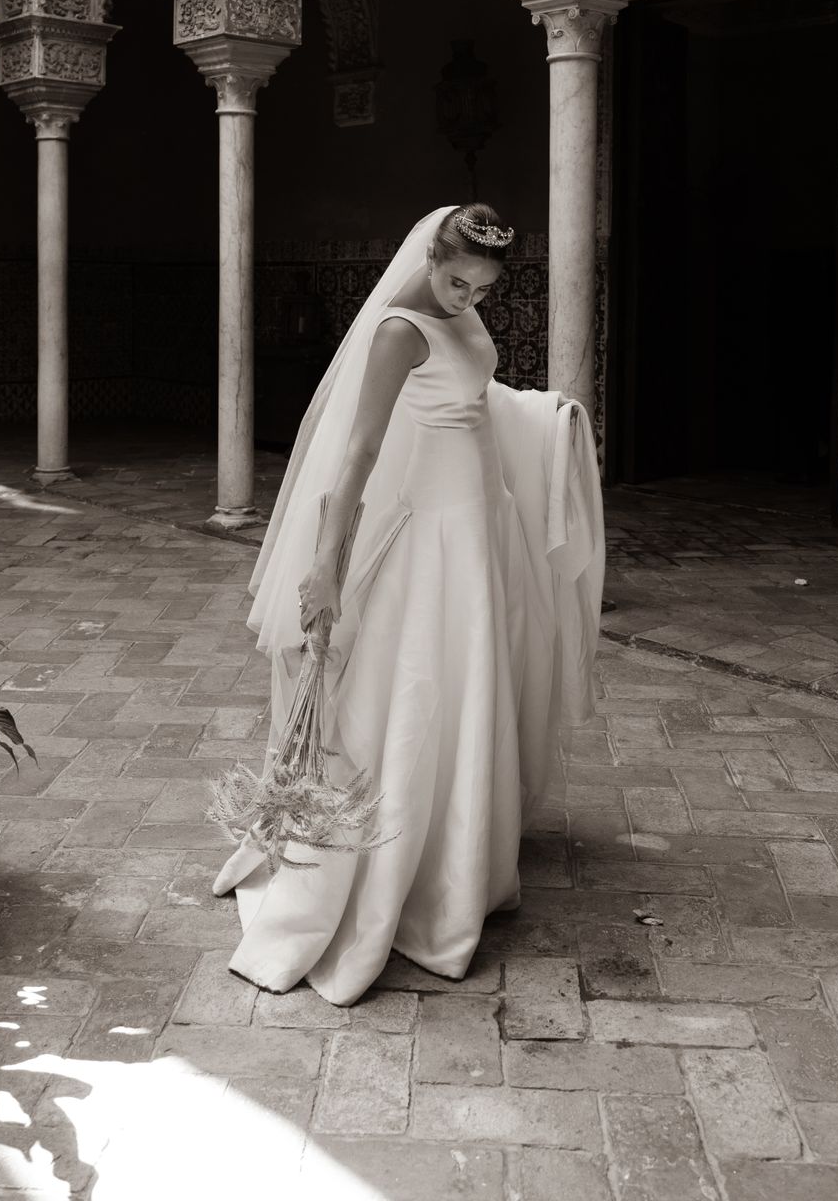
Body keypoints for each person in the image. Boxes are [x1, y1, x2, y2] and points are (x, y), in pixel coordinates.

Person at [212, 202, 605, 1005]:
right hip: (427, 540)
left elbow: (474, 403)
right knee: (417, 688)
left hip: (476, 529)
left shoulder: (460, 322)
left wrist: (545, 415)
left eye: (483, 291)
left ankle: (457, 866)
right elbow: (359, 448)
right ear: (428, 256)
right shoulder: (398, 330)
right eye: (456, 282)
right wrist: (326, 565)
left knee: (467, 688)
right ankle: (386, 879)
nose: (467, 300)